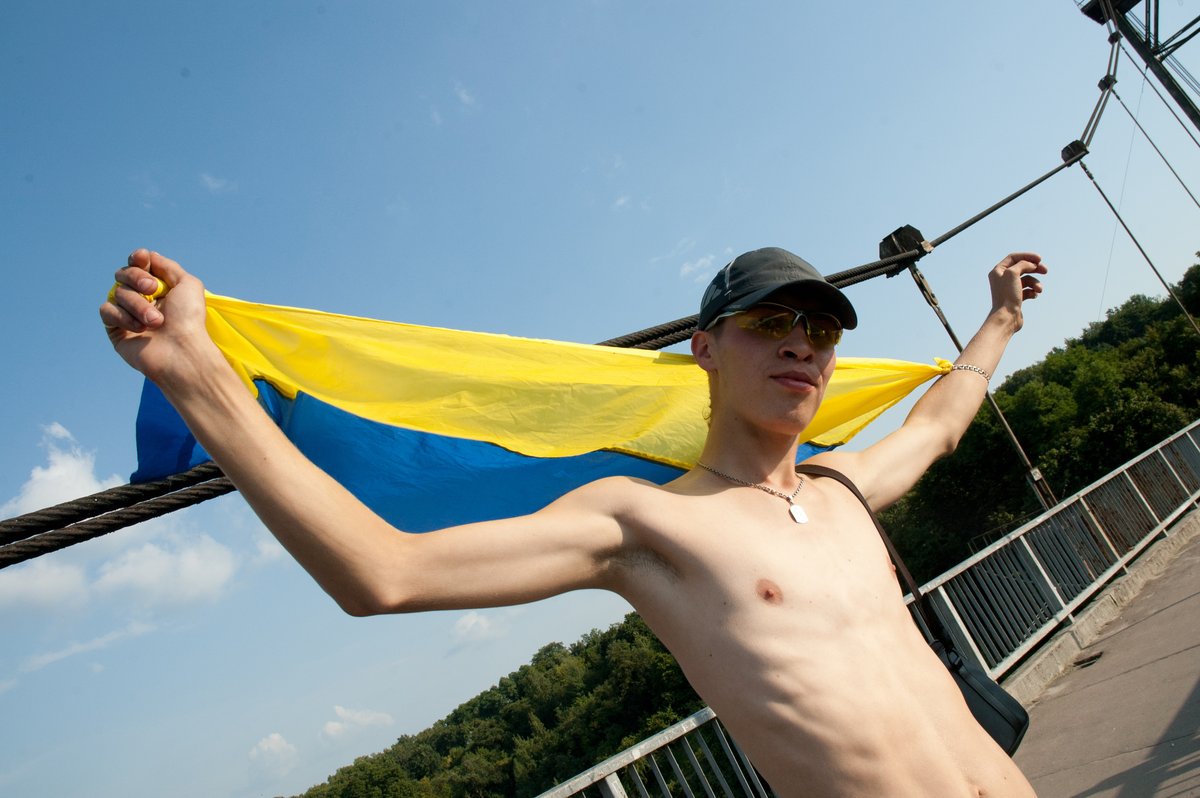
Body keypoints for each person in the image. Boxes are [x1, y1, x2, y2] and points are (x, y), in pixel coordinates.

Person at [101, 245, 1045, 797]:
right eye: (771, 323)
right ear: (705, 348)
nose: (803, 343)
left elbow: (939, 425)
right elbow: (385, 573)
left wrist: (999, 319)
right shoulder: (644, 524)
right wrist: (196, 374)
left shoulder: (841, 488)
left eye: (822, 330)